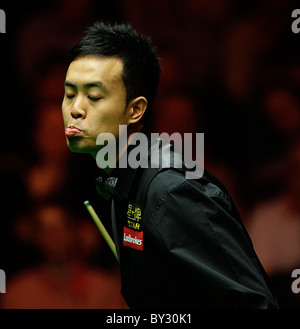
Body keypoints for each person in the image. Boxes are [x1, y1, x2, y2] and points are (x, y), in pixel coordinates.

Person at [61, 22, 278, 308]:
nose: (75, 108)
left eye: (94, 96)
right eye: (69, 93)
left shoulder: (172, 191)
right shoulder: (122, 179)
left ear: (135, 109)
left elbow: (255, 305)